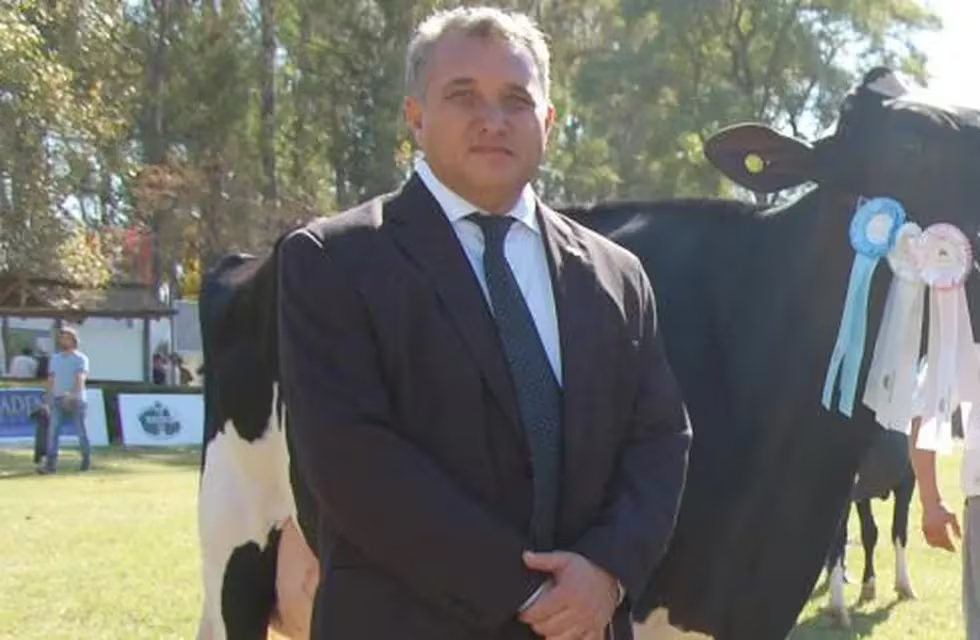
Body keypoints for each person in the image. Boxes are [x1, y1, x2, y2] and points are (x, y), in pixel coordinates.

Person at [277, 6, 692, 640]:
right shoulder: (333, 261)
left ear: (547, 121)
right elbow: (352, 463)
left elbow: (659, 439)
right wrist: (527, 592)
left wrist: (607, 572)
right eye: (463, 95)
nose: (493, 120)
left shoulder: (617, 275)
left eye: (516, 100)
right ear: (415, 116)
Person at [38, 327, 91, 474]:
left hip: (76, 400)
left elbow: (81, 378)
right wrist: (47, 399)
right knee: (53, 431)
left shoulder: (81, 358)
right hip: (57, 399)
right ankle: (50, 465)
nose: (63, 340)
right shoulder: (55, 359)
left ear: (74, 340)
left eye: (67, 337)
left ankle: (86, 460)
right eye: (62, 337)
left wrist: (72, 393)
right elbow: (51, 379)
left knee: (81, 431)